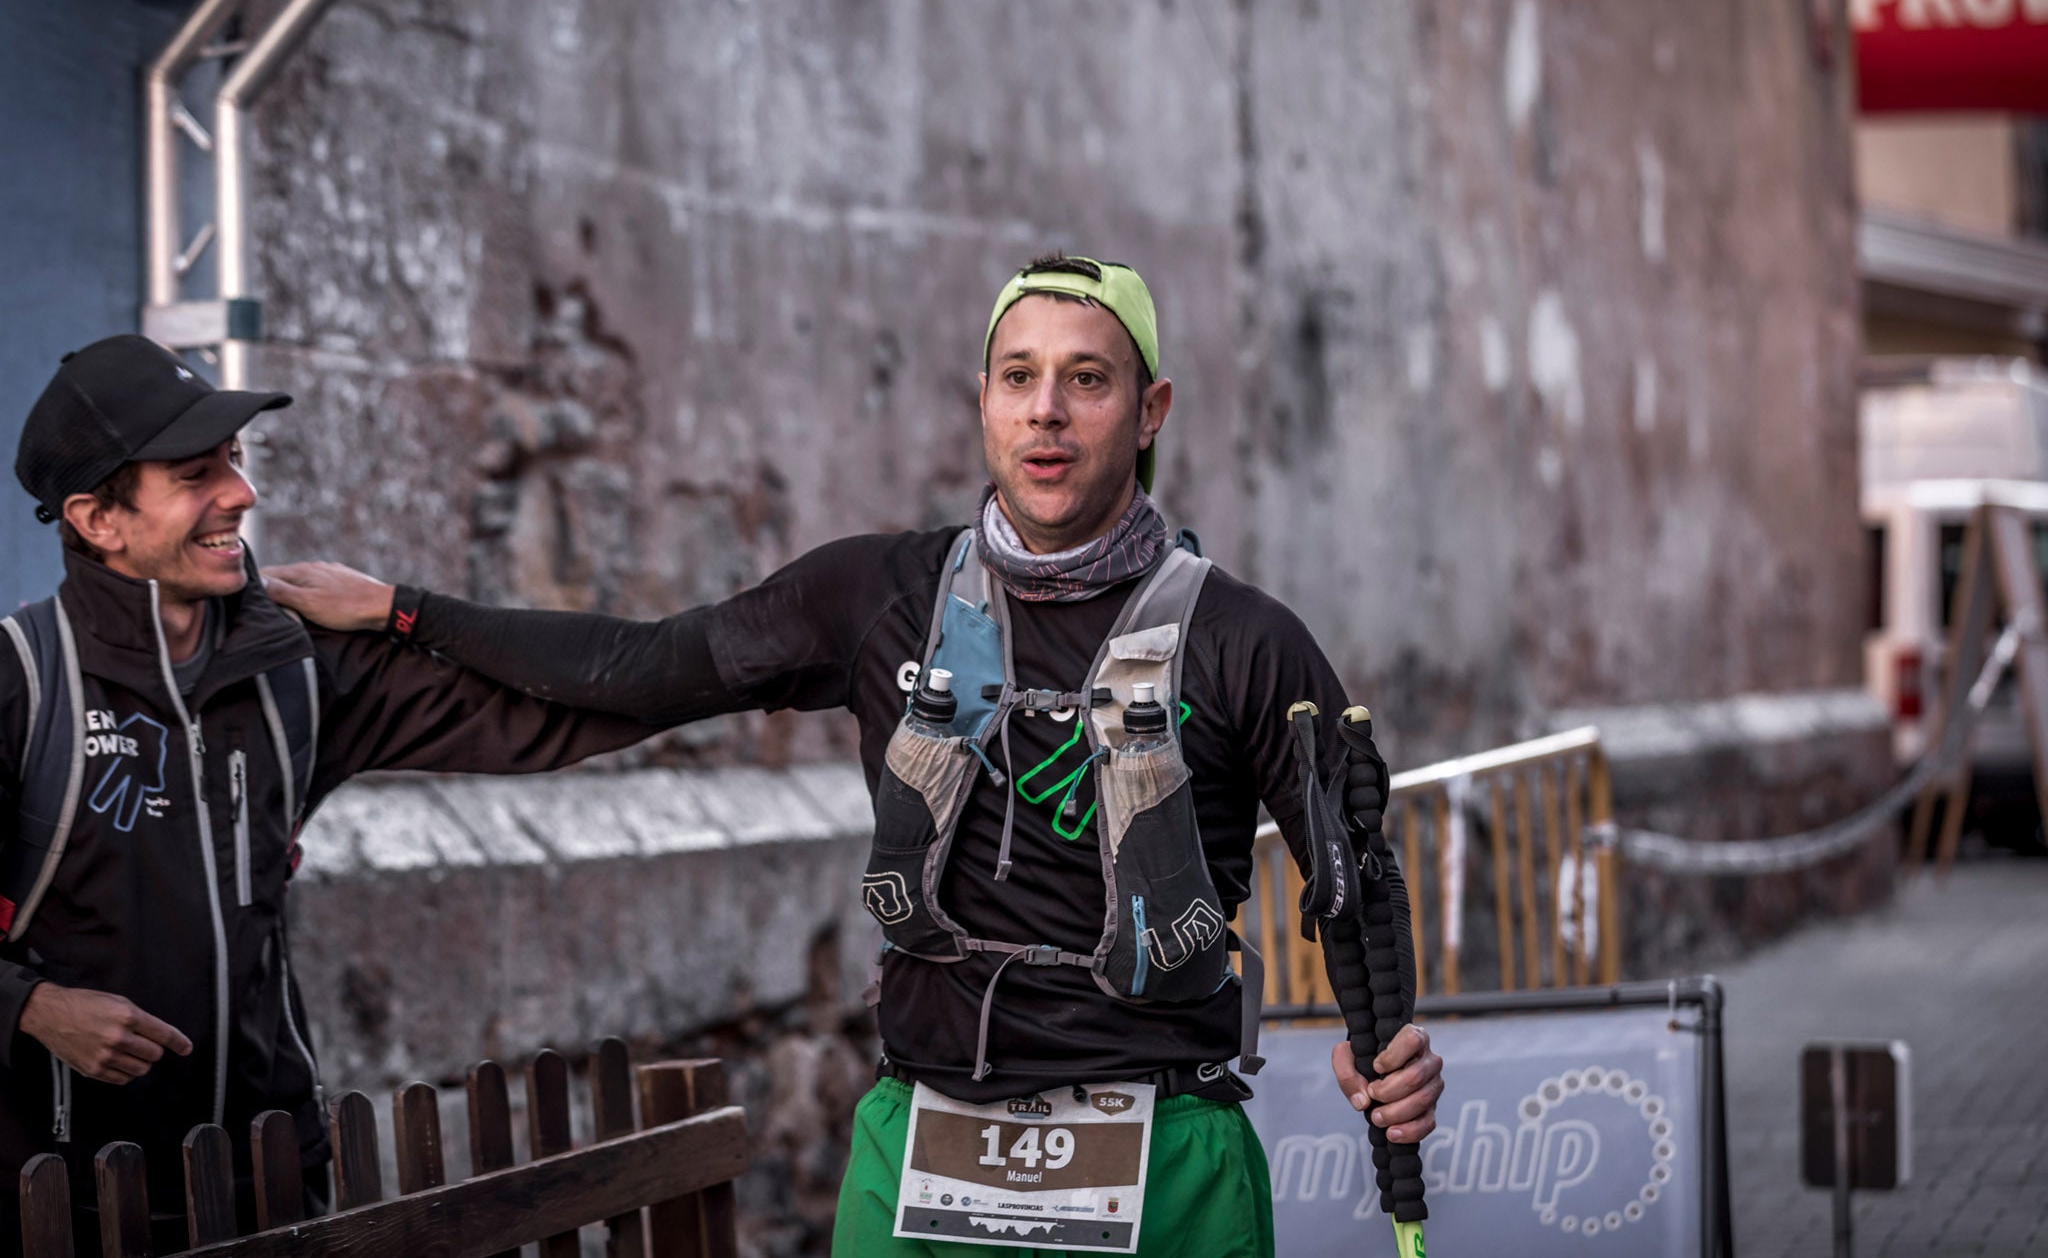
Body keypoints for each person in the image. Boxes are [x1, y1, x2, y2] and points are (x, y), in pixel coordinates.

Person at [268, 254, 1445, 1257]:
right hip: (920, 1139)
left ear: (1149, 411)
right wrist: (404, 612)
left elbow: (1352, 875)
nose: (1047, 411)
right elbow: (637, 670)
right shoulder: (874, 595)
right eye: (1020, 378)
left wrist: (1378, 1048)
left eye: (1087, 381)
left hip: (1166, 1152)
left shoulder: (1246, 639)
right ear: (979, 400)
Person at [0, 336, 656, 1250]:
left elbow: (568, 706)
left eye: (234, 459)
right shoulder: (21, 680)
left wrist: (406, 608)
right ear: (98, 519)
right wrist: (30, 1006)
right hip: (53, 1199)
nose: (241, 492)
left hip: (270, 1183)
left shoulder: (299, 665)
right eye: (196, 472)